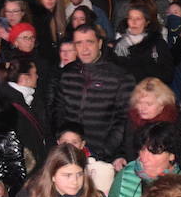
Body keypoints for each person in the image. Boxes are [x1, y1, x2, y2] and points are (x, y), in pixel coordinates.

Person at [51, 23, 135, 162]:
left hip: (103, 157)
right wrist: (62, 141)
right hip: (69, 153)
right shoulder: (67, 73)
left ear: (100, 43)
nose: (84, 49)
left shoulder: (120, 76)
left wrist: (106, 151)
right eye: (79, 43)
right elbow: (59, 110)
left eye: (89, 42)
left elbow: (124, 119)